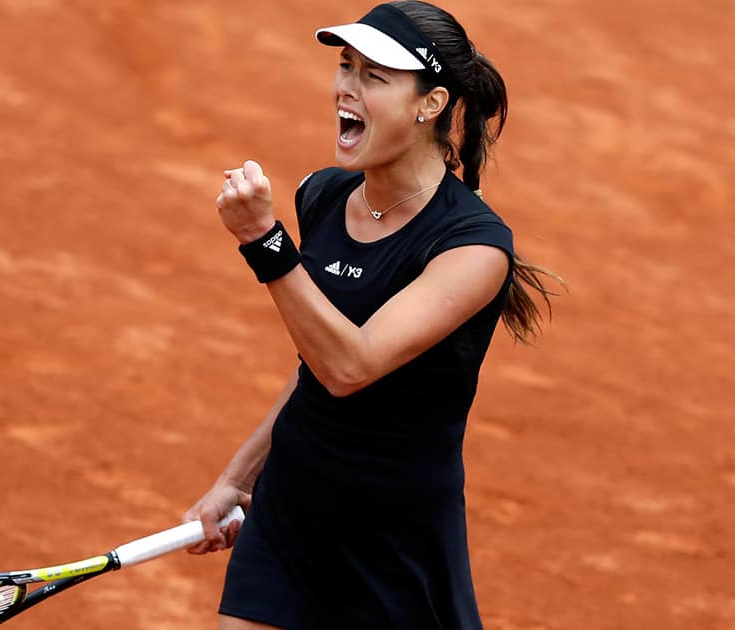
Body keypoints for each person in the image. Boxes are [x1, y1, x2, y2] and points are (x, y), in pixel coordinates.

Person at [185, 2, 562, 628]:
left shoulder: (472, 248)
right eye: (344, 66)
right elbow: (314, 362)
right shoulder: (323, 195)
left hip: (394, 545)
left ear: (430, 104)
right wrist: (239, 474)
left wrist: (264, 241)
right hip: (291, 516)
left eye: (374, 76)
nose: (346, 87)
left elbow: (349, 366)